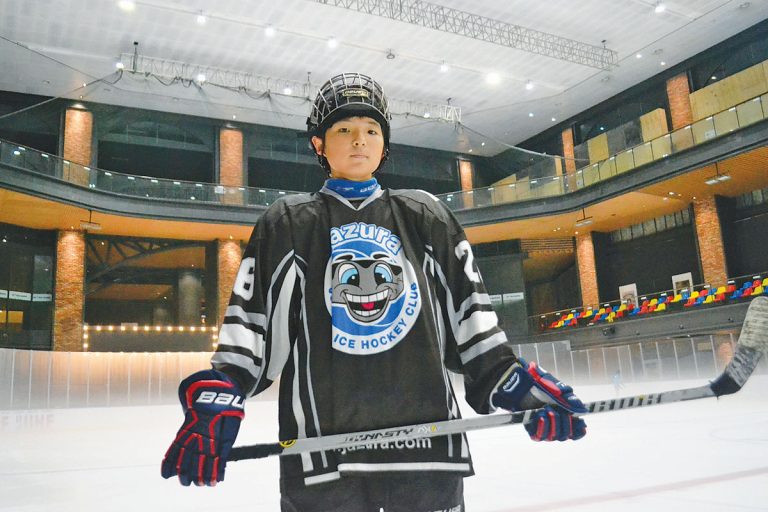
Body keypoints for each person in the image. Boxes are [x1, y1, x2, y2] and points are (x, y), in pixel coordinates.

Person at [161, 72, 588, 511]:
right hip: (322, 456)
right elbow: (252, 324)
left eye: (371, 131)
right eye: (343, 130)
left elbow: (470, 312)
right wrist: (223, 388)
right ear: (318, 145)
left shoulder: (426, 215)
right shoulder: (289, 222)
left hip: (428, 451)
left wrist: (510, 380)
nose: (358, 140)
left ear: (384, 146)